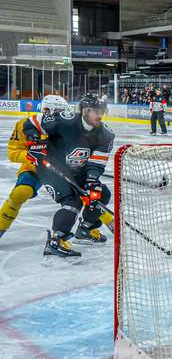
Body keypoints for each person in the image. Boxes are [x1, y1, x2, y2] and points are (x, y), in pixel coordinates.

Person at [23, 94, 115, 261]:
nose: (100, 115)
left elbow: (96, 163)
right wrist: (33, 141)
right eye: (96, 111)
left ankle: (85, 229)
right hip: (51, 166)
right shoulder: (65, 120)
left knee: (100, 194)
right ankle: (55, 240)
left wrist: (92, 181)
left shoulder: (106, 135)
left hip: (78, 170)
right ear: (85, 110)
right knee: (72, 200)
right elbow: (31, 123)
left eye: (102, 111)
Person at [0, 95, 69, 239]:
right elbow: (13, 153)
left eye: (61, 111)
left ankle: (89, 227)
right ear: (45, 110)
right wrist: (33, 156)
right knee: (20, 192)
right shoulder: (24, 124)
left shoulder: (70, 128)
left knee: (87, 194)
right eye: (55, 111)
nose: (58, 115)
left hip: (63, 170)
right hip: (35, 168)